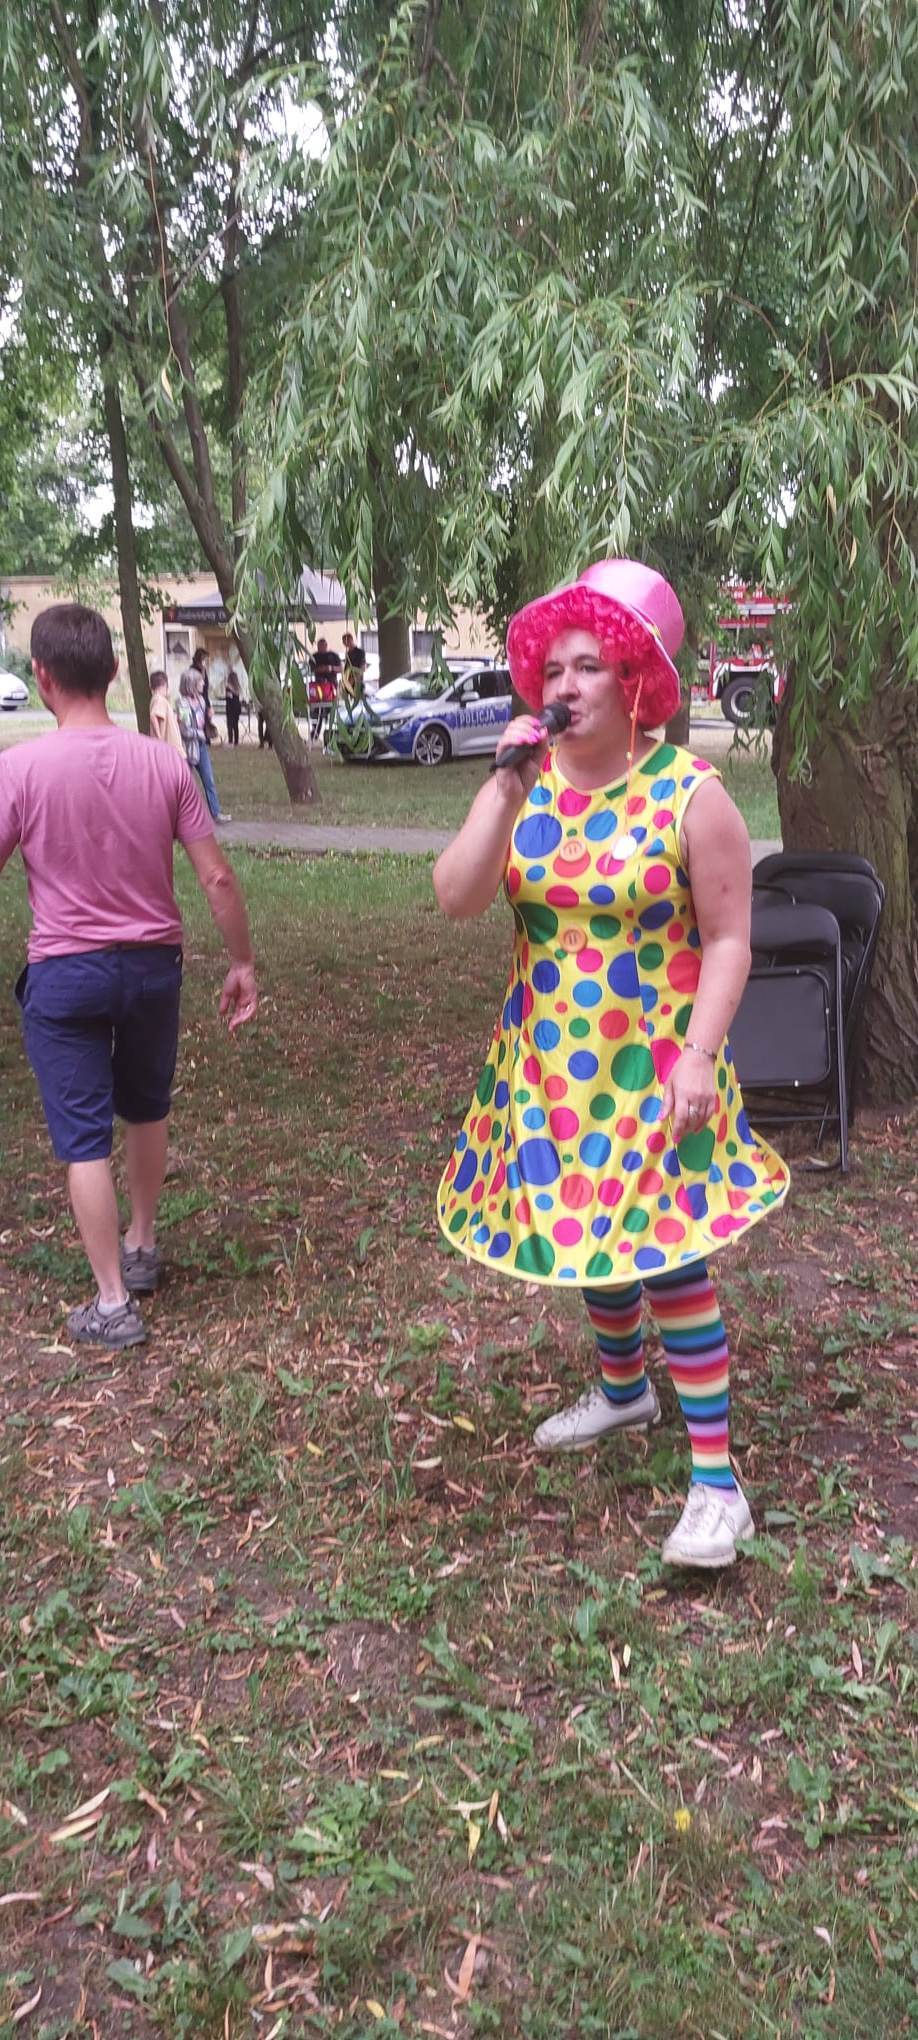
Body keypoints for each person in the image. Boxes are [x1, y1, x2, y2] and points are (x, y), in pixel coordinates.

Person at [433, 559, 790, 1569]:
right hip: (552, 1064)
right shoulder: (529, 785)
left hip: (659, 1063)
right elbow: (456, 896)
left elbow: (730, 939)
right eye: (553, 669)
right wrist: (502, 788)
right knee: (587, 1226)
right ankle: (625, 1391)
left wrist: (700, 1057)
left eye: (589, 666)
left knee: (667, 1251)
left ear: (634, 678)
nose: (565, 686)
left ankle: (718, 1487)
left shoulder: (690, 795)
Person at [0, 603, 258, 1351]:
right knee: (147, 1107)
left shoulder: (18, 769)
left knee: (84, 1140)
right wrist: (241, 962)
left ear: (42, 678)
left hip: (64, 975)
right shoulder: (165, 763)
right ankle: (141, 1244)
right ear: (114, 672)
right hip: (151, 969)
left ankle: (112, 1302)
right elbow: (216, 878)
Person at [178, 667, 231, 822]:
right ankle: (182, 817)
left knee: (209, 780)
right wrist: (199, 734)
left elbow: (201, 722)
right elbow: (184, 729)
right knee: (185, 783)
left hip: (201, 746)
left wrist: (208, 718)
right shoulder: (182, 703)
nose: (203, 684)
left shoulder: (201, 700)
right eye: (200, 681)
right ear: (191, 683)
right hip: (188, 747)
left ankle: (216, 813)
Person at [148, 669, 185, 756]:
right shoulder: (159, 699)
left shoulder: (160, 700)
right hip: (169, 749)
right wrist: (159, 738)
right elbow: (153, 716)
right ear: (165, 685)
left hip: (170, 749)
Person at [312, 637, 341, 702]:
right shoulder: (314, 656)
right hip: (319, 684)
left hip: (332, 684)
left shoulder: (334, 655)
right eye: (319, 646)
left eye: (322, 645)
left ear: (326, 645)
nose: (320, 647)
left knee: (332, 701)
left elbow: (341, 669)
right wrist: (321, 669)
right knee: (319, 701)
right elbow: (311, 669)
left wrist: (332, 668)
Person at [224, 666, 242, 747]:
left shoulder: (228, 687)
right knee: (235, 724)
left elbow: (228, 697)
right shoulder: (238, 687)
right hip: (237, 707)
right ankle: (236, 741)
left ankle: (230, 741)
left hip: (230, 707)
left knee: (230, 725)